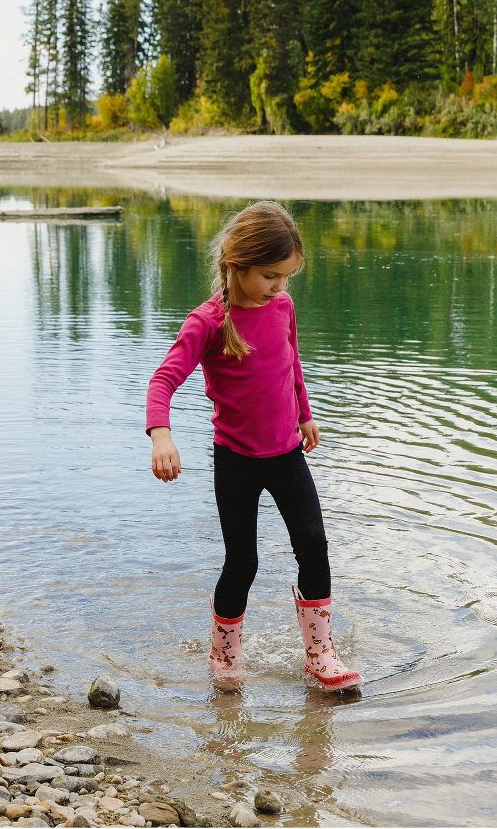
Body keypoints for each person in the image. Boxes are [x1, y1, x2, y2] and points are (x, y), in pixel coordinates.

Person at [145, 200, 362, 693]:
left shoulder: (282, 306)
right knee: (243, 562)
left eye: (285, 277)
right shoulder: (207, 322)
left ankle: (321, 655)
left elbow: (292, 362)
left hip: (286, 455)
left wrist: (304, 412)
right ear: (235, 263)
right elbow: (163, 380)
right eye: (269, 276)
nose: (279, 287)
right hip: (236, 461)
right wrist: (161, 432)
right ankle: (224, 656)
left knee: (314, 544)